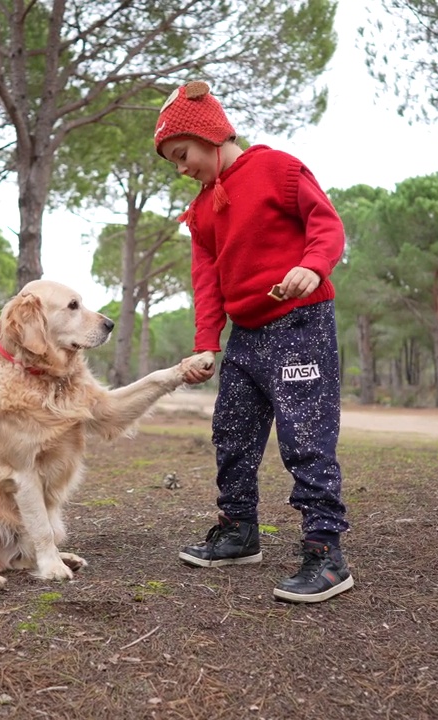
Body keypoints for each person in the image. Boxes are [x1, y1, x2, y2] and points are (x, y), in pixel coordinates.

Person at [154, 80, 353, 603]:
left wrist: (313, 266)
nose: (182, 168)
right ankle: (239, 531)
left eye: (183, 154)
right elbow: (206, 281)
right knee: (232, 432)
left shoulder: (278, 169)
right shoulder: (201, 211)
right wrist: (206, 343)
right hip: (246, 337)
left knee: (304, 436)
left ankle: (324, 550)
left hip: (300, 325)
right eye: (173, 161)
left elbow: (326, 226)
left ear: (211, 134)